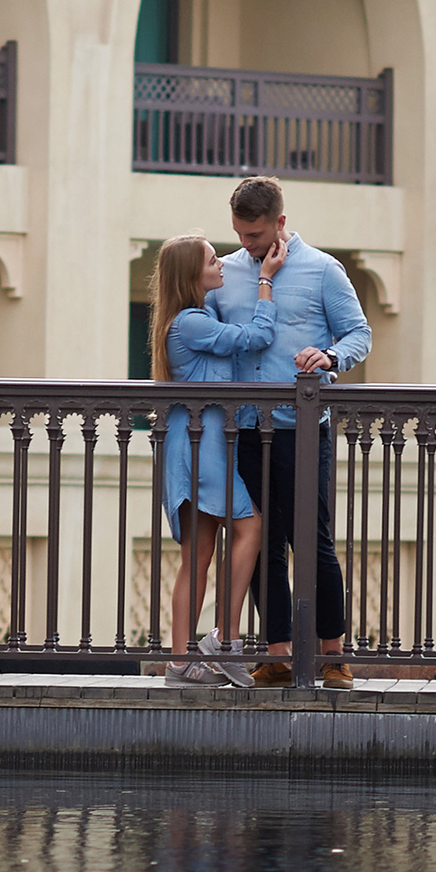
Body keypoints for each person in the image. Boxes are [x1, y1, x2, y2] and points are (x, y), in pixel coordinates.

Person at [213, 176, 371, 689]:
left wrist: (330, 357)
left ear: (280, 222)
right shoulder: (227, 272)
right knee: (260, 543)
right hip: (244, 430)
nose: (247, 245)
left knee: (314, 542)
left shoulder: (324, 270)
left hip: (303, 430)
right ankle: (276, 654)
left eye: (255, 235)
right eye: (240, 234)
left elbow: (359, 334)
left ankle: (333, 656)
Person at [150, 230, 283, 686]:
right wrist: (265, 281)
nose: (221, 264)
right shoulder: (191, 323)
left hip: (194, 444)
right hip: (201, 446)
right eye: (211, 260)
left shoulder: (194, 316)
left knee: (199, 554)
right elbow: (259, 336)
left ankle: (183, 660)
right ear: (193, 273)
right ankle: (224, 640)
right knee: (251, 527)